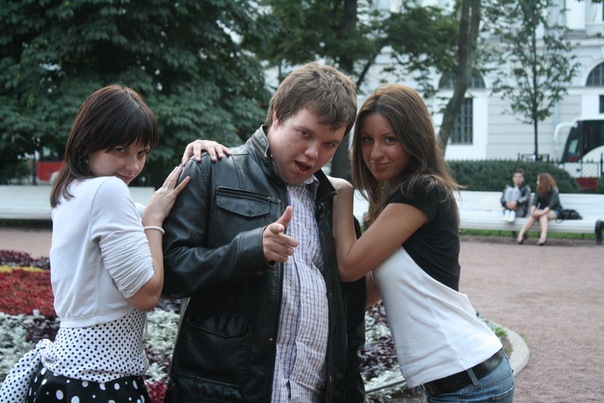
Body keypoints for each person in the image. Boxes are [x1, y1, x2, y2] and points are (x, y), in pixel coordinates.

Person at [0, 85, 227, 402]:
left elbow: (155, 217)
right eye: (120, 150)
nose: (132, 166)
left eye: (142, 153)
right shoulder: (108, 191)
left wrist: (196, 159)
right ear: (88, 144)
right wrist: (154, 219)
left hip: (70, 375)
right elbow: (146, 294)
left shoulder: (72, 192)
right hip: (99, 381)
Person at [161, 62, 366, 402]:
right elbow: (169, 272)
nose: (314, 153)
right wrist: (250, 250)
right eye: (305, 134)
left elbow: (350, 324)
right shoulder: (213, 171)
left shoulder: (333, 203)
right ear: (277, 115)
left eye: (330, 144)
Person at [330, 84, 515, 402]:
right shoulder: (398, 204)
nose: (375, 153)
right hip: (459, 380)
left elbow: (349, 266)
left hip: (466, 381)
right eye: (367, 140)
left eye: (390, 139)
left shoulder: (422, 191)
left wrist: (343, 194)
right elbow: (370, 292)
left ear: (413, 138)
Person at [517, 172, 562, 246]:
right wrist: (532, 212)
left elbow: (550, 206)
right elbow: (534, 203)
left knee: (543, 215)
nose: (537, 182)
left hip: (555, 211)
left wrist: (539, 213)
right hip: (542, 210)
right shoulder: (539, 190)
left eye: (538, 180)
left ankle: (543, 236)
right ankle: (521, 235)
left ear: (543, 181)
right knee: (534, 216)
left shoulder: (554, 190)